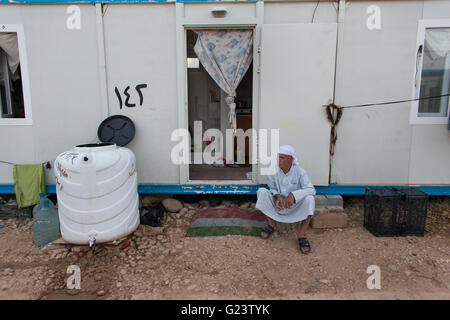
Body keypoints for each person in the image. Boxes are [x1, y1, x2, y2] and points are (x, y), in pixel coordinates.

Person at [255, 145, 316, 254]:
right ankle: (272, 225)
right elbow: (272, 188)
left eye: (282, 158)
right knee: (262, 192)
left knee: (310, 199)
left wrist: (293, 195)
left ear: (291, 159)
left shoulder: (300, 172)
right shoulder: (272, 171)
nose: (278, 160)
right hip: (279, 204)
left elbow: (311, 189)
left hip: (294, 206)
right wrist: (277, 196)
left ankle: (301, 235)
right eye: (278, 157)